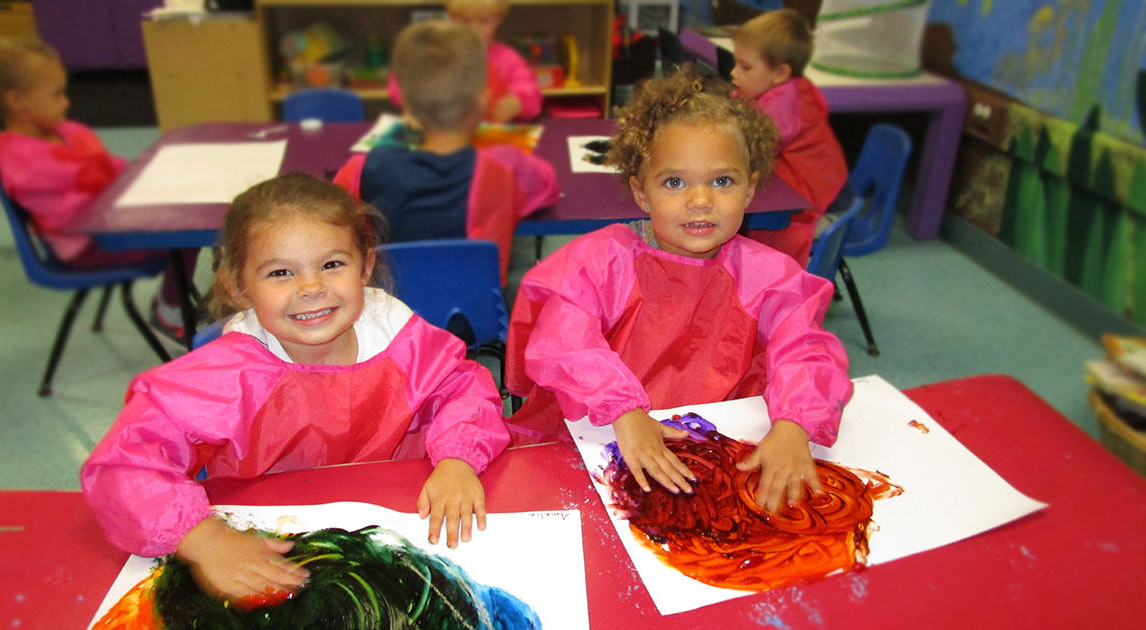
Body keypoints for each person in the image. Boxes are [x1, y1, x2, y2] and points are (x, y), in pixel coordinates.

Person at [82, 173, 510, 603]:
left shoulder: (400, 336)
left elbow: (462, 387)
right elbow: (123, 466)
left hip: (404, 520)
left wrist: (457, 460)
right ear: (239, 287)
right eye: (281, 272)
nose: (311, 289)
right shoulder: (228, 372)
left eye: (331, 264)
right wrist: (203, 538)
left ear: (364, 267)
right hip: (277, 542)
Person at [505, 70, 852, 514]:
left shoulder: (771, 276)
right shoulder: (602, 261)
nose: (700, 200)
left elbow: (806, 349)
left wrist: (793, 426)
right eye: (674, 183)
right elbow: (563, 342)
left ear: (750, 188)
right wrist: (624, 411)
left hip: (708, 438)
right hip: (600, 432)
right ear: (641, 193)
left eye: (722, 181)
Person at [0, 31, 195, 337]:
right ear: (17, 100)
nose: (66, 102)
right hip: (86, 246)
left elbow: (106, 166)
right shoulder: (22, 164)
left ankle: (175, 293)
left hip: (110, 222)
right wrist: (136, 203)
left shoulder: (65, 131)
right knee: (186, 234)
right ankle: (169, 309)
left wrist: (140, 178)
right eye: (56, 94)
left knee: (188, 212)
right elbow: (75, 218)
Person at [336, 20, 558, 285]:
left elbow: (336, 214)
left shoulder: (361, 169)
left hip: (391, 313)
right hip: (475, 317)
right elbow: (548, 186)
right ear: (482, 100)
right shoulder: (505, 167)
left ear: (404, 100)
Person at [730, 8, 850, 266]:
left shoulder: (788, 103)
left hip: (817, 200)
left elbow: (747, 145)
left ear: (780, 73)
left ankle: (766, 281)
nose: (733, 73)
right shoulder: (773, 89)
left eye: (745, 67)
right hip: (800, 181)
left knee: (758, 223)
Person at [387, 0, 542, 123]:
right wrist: (417, 103)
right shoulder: (435, 52)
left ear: (499, 19)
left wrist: (517, 103)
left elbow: (532, 94)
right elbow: (398, 85)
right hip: (438, 136)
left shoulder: (508, 59)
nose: (474, 29)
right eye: (465, 21)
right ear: (451, 16)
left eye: (483, 21)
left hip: (490, 138)